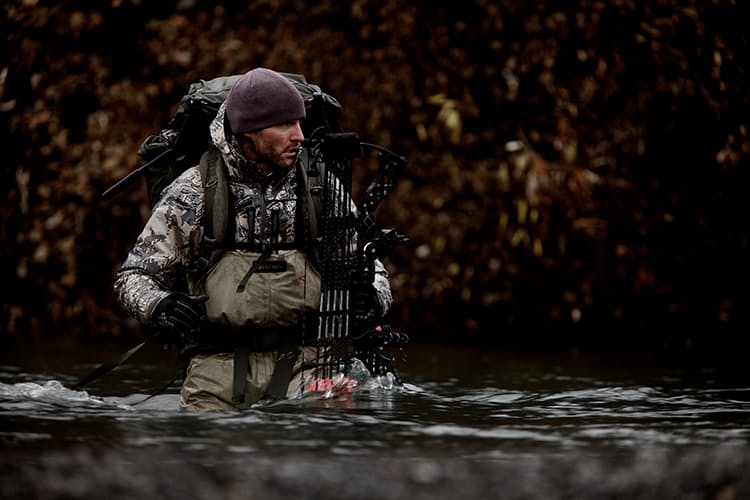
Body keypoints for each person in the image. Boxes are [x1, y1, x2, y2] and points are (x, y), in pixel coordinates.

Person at [114, 67, 392, 411]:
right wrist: (160, 306)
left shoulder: (321, 188)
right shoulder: (195, 190)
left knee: (331, 419)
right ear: (249, 132)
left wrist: (372, 299)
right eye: (285, 125)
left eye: (300, 123)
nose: (299, 136)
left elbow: (374, 270)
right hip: (217, 369)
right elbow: (134, 277)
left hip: (310, 365)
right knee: (206, 440)